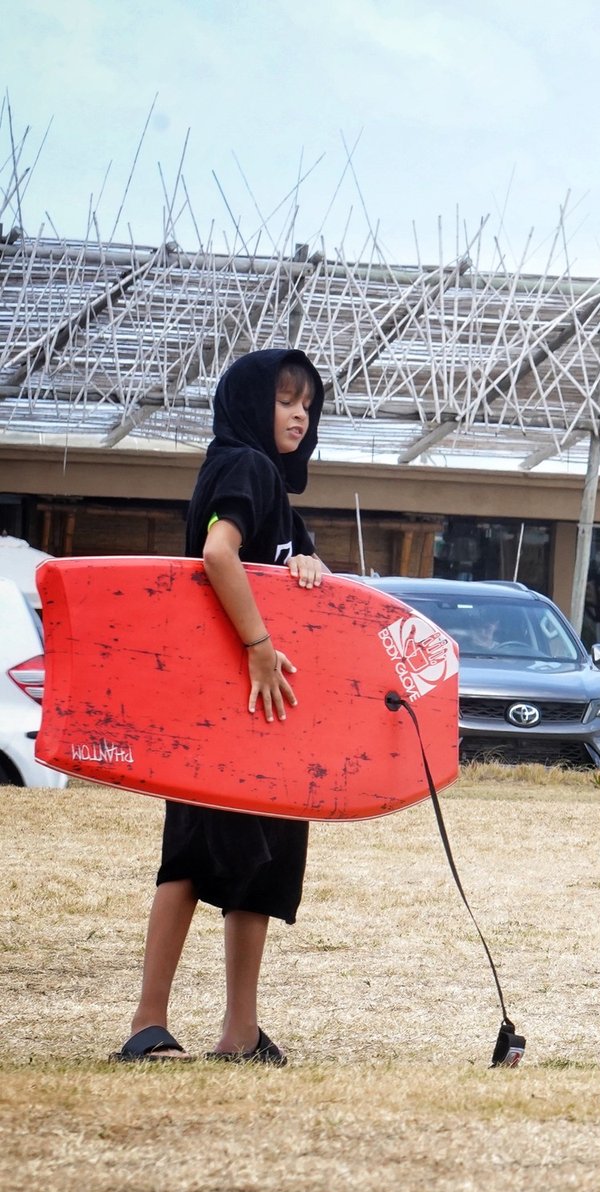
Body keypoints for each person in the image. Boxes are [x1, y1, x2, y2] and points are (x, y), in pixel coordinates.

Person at [112, 348, 328, 1066]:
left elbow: (292, 570)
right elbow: (217, 553)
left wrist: (306, 563)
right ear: (250, 404)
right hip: (221, 705)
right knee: (191, 855)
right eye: (285, 400)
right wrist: (260, 647)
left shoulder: (269, 486)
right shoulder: (244, 464)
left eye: (307, 404)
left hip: (259, 711)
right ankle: (147, 1024)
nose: (299, 415)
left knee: (259, 863)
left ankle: (241, 1031)